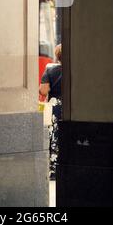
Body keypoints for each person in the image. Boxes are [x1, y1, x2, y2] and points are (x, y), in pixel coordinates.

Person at [39, 44, 62, 181]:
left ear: (57, 55)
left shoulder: (50, 70)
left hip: (55, 107)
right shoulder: (77, 69)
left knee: (54, 137)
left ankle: (53, 169)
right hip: (71, 107)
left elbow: (43, 91)